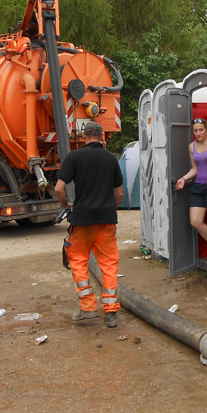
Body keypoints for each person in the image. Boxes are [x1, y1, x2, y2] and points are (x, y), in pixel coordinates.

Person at [54, 121, 123, 328]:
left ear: (84, 137)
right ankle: (111, 313)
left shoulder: (74, 157)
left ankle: (88, 308)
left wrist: (66, 204)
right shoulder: (111, 159)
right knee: (109, 265)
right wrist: (111, 208)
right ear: (102, 137)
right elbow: (118, 193)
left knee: (78, 261)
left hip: (82, 220)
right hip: (106, 220)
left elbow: (59, 188)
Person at [173, 117, 207, 265]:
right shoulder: (192, 147)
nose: (198, 133)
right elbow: (195, 169)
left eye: (201, 130)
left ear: (206, 129)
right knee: (196, 221)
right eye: (195, 130)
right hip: (198, 186)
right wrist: (183, 179)